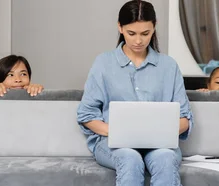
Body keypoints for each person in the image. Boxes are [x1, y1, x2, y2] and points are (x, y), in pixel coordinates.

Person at [76, 1, 192, 185]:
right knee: (130, 159)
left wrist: (156, 133)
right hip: (113, 144)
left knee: (165, 159)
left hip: (159, 146)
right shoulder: (103, 63)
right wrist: (120, 133)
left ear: (154, 27)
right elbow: (86, 115)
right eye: (132, 33)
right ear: (120, 27)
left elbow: (184, 119)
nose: (138, 41)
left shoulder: (168, 66)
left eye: (145, 33)